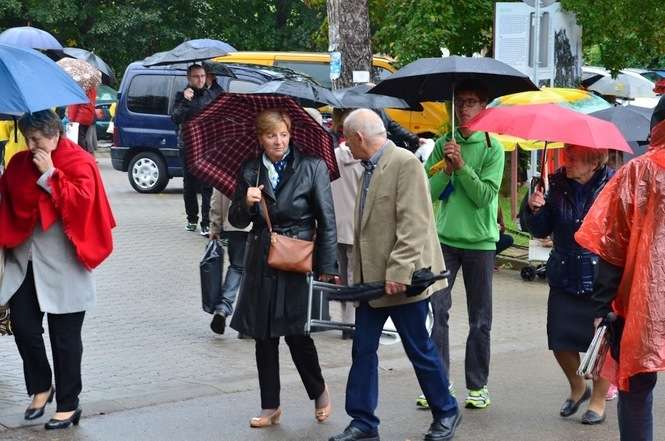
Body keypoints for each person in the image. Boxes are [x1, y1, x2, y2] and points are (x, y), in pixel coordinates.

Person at [329, 109, 460, 441]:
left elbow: (414, 223)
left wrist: (399, 271)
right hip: (372, 283)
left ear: (359, 137)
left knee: (419, 349)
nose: (346, 145)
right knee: (363, 350)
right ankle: (363, 422)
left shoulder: (404, 163)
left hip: (402, 282)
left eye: (347, 139)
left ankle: (446, 411)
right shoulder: (369, 167)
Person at [0, 110, 115, 430]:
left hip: (65, 264)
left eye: (37, 139)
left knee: (64, 338)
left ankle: (68, 404)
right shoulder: (19, 163)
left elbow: (83, 205)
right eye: (27, 139)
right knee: (23, 327)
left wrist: (51, 175)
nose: (31, 146)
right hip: (25, 261)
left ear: (55, 135)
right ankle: (41, 386)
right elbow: (7, 197)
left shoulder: (79, 162)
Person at [228, 109, 337, 428]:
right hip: (262, 258)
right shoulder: (250, 170)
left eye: (283, 134)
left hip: (297, 256)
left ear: (291, 135)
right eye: (271, 135)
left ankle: (319, 391)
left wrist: (326, 265)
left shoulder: (312, 166)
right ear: (260, 138)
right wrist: (246, 202)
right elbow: (237, 220)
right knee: (263, 335)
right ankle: (270, 406)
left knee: (297, 333)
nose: (278, 141)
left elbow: (327, 220)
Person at [574, 95, 665, 441]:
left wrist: (602, 308)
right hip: (645, 297)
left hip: (645, 303)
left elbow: (613, 246)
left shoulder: (638, 172)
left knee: (636, 385)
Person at [422, 80, 505, 409]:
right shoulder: (444, 143)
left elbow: (484, 197)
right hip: (444, 240)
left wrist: (462, 167)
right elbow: (426, 191)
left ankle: (478, 385)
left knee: (480, 318)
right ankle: (438, 381)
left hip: (480, 243)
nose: (464, 108)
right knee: (437, 309)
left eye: (471, 102)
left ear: (483, 107)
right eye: (460, 102)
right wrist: (446, 169)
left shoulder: (492, 147)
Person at [520, 144, 614, 424]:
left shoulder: (614, 184)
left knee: (603, 343)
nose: (566, 160)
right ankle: (578, 387)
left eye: (573, 157)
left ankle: (598, 400)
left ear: (594, 161)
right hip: (564, 274)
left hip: (602, 277)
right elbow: (539, 230)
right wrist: (533, 208)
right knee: (559, 338)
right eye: (566, 154)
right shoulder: (554, 184)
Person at [171, 64, 221, 236]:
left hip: (207, 146)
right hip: (188, 146)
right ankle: (192, 218)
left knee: (207, 185)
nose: (200, 80)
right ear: (189, 78)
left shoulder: (211, 95)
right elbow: (175, 118)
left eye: (202, 76)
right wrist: (186, 101)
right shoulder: (182, 95)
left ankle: (206, 222)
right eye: (196, 76)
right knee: (190, 184)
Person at [330, 119, 363, 339]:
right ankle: (351, 324)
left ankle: (345, 321)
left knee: (342, 276)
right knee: (354, 276)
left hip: (336, 225)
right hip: (356, 225)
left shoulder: (332, 156)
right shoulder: (364, 163)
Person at [208, 188, 250, 336]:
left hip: (234, 225)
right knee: (255, 274)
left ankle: (223, 308)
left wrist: (215, 227)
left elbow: (217, 199)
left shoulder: (228, 173)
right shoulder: (263, 173)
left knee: (236, 268)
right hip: (258, 227)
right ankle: (246, 324)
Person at [66, 86, 96, 153]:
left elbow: (74, 105)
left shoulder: (78, 87)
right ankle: (86, 154)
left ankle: (83, 155)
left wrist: (71, 119)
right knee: (84, 138)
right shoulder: (91, 88)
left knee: (79, 139)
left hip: (79, 117)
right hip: (88, 116)